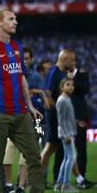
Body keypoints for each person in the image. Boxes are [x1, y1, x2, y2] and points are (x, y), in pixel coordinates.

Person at [0, 8, 44, 193]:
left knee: (33, 157)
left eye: (15, 19)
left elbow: (22, 77)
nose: (16, 22)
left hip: (21, 113)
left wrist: (29, 105)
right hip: (0, 114)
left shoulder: (17, 47)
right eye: (11, 19)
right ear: (0, 22)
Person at [41, 49, 94, 189]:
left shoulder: (63, 73)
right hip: (54, 116)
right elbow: (48, 95)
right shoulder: (54, 72)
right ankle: (40, 178)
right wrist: (59, 114)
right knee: (50, 148)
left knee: (64, 150)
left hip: (60, 117)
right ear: (64, 59)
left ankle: (72, 180)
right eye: (72, 60)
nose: (74, 63)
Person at [54, 78, 78, 192]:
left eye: (72, 85)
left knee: (67, 157)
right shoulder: (62, 100)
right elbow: (61, 119)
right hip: (66, 133)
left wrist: (76, 121)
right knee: (71, 157)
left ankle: (59, 183)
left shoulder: (67, 99)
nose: (71, 87)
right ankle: (66, 184)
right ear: (62, 87)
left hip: (68, 131)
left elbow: (67, 117)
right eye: (68, 85)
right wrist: (66, 134)